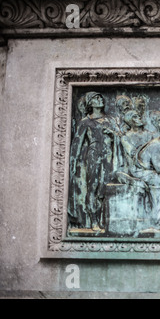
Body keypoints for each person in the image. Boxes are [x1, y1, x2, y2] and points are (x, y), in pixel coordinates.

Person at [68, 92, 121, 231]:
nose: (100, 99)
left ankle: (105, 219)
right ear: (90, 104)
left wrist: (114, 135)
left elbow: (121, 136)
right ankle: (94, 220)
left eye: (100, 97)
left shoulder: (110, 120)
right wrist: (72, 165)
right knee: (93, 186)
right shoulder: (85, 122)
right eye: (96, 98)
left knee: (106, 186)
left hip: (109, 155)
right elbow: (76, 144)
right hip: (94, 154)